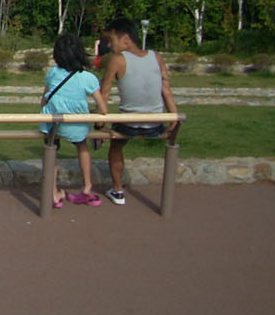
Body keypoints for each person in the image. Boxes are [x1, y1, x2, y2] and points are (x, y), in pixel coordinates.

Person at [98, 17, 178, 205]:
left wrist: (99, 124)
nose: (110, 46)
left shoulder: (117, 60)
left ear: (125, 39)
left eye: (112, 40)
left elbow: (105, 93)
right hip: (155, 123)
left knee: (116, 145)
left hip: (128, 124)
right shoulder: (156, 57)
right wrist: (174, 116)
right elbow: (166, 89)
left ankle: (118, 191)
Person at [40, 33, 108, 208]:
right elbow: (103, 108)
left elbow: (43, 100)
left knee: (51, 151)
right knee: (82, 147)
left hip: (53, 124)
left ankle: (54, 192)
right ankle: (87, 187)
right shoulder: (87, 78)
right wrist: (91, 112)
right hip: (77, 126)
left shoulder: (52, 73)